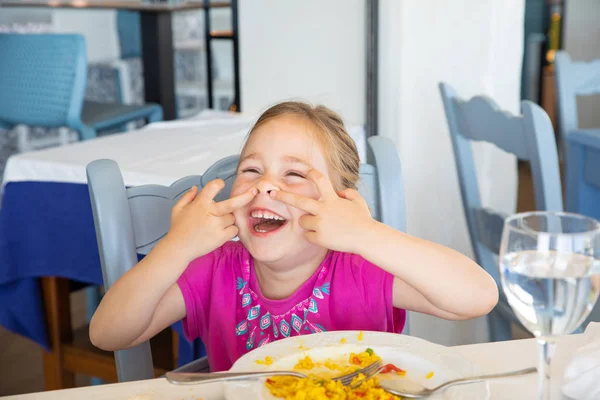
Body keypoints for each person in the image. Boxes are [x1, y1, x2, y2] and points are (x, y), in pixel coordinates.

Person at [90, 101, 499, 371]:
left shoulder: (361, 268)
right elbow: (108, 333)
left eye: (294, 174)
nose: (266, 186)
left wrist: (366, 234)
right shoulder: (214, 268)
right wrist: (176, 246)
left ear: (338, 201)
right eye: (251, 170)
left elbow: (478, 296)